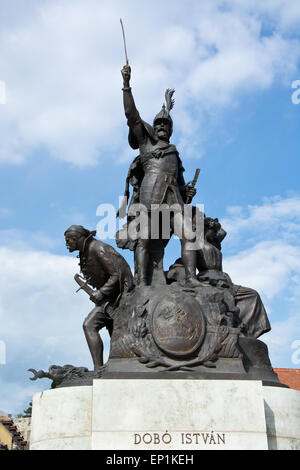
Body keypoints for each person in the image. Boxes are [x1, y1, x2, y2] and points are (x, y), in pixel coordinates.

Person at [119, 64, 199, 287]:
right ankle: (142, 284)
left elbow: (181, 185)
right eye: (159, 123)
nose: (162, 125)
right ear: (153, 126)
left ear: (171, 130)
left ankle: (192, 279)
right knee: (144, 239)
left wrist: (187, 192)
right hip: (150, 194)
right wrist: (126, 86)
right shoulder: (145, 142)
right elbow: (131, 115)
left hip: (173, 197)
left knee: (189, 235)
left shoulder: (174, 153)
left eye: (166, 124)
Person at [65, 225, 133, 370]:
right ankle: (114, 366)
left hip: (118, 297)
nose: (66, 244)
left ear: (77, 239)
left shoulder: (98, 249)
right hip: (110, 298)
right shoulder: (86, 250)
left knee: (89, 325)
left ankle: (98, 369)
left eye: (68, 240)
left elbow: (116, 274)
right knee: (114, 332)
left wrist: (102, 292)